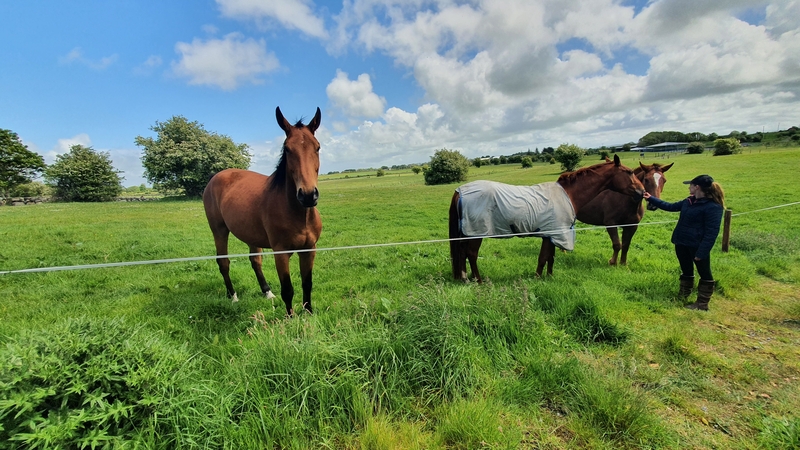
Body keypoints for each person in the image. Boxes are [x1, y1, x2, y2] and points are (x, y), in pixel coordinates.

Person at [643, 174, 725, 311]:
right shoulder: (689, 201)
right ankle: (683, 295)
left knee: (705, 273)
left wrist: (702, 252)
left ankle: (702, 303)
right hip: (681, 242)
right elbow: (670, 206)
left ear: (697, 187)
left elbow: (712, 233)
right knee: (686, 270)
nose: (689, 187)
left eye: (691, 185)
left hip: (697, 246)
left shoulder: (713, 207)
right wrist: (651, 198)